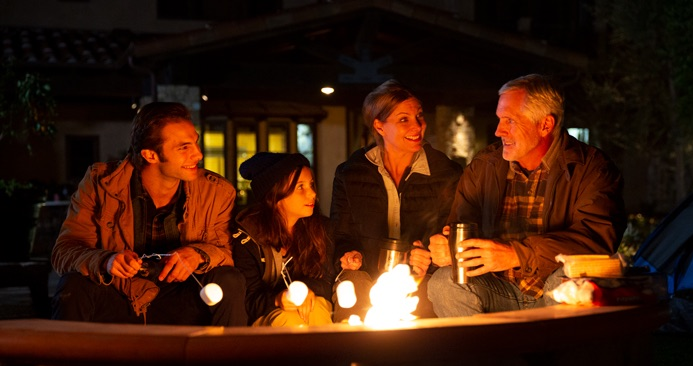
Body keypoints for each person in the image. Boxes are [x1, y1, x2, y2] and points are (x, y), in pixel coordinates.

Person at [427, 74, 626, 317]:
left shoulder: (591, 168)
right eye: (500, 119)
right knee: (444, 282)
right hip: (496, 288)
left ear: (545, 125)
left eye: (509, 121)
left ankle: (556, 354)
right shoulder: (484, 166)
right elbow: (459, 227)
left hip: (553, 291)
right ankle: (479, 354)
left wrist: (515, 254)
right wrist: (448, 248)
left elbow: (595, 243)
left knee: (570, 278)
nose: (499, 131)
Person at [51, 102, 247, 326]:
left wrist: (198, 255)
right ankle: (64, 358)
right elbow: (63, 252)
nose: (198, 154)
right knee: (73, 285)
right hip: (120, 294)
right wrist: (106, 260)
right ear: (150, 155)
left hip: (182, 297)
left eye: (195, 142)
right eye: (184, 147)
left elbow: (227, 252)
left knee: (229, 280)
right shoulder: (100, 183)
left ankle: (232, 357)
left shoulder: (216, 191)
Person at [330, 79, 463, 321]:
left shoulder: (446, 173)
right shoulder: (351, 174)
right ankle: (352, 354)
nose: (417, 126)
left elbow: (453, 235)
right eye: (404, 119)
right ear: (379, 126)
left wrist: (430, 258)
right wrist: (349, 254)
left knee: (430, 295)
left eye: (419, 116)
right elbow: (341, 236)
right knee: (353, 285)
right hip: (367, 274)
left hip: (421, 278)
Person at [234, 152, 334, 326]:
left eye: (311, 185)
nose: (312, 194)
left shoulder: (319, 228)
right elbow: (247, 300)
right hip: (267, 313)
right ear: (275, 194)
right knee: (289, 319)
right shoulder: (247, 237)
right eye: (300, 187)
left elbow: (328, 279)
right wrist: (277, 299)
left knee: (316, 309)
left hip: (311, 305)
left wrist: (308, 288)